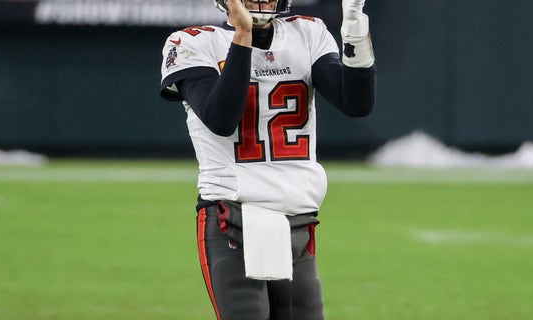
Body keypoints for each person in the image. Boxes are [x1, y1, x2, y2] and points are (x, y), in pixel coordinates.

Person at [159, 0, 375, 318]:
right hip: (232, 216)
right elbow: (221, 119)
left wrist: (355, 28)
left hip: (297, 220)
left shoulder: (307, 33)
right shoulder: (193, 42)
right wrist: (243, 34)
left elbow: (356, 103)